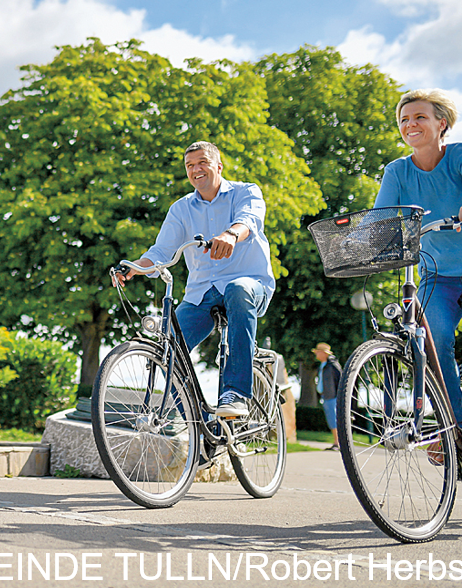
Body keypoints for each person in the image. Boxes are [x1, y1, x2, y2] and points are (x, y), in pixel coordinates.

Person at [372, 89, 462, 462]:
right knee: (430, 341)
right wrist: (370, 238)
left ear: (442, 123)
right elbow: (381, 218)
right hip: (437, 274)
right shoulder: (397, 171)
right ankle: (450, 429)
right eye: (404, 120)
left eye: (420, 117)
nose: (411, 125)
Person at [115, 141, 275, 417]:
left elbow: (250, 219)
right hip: (202, 292)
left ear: (218, 166)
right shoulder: (181, 209)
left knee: (238, 289)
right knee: (167, 350)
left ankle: (235, 393)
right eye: (190, 166)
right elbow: (162, 251)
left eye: (202, 162)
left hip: (249, 284)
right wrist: (135, 267)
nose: (195, 169)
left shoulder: (245, 191)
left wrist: (231, 234)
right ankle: (197, 423)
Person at [313, 342, 342, 450]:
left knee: (334, 419)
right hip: (326, 396)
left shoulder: (332, 366)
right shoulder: (324, 365)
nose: (316, 354)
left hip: (332, 397)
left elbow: (340, 380)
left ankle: (338, 442)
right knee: (331, 419)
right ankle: (336, 442)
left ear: (323, 353)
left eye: (318, 352)